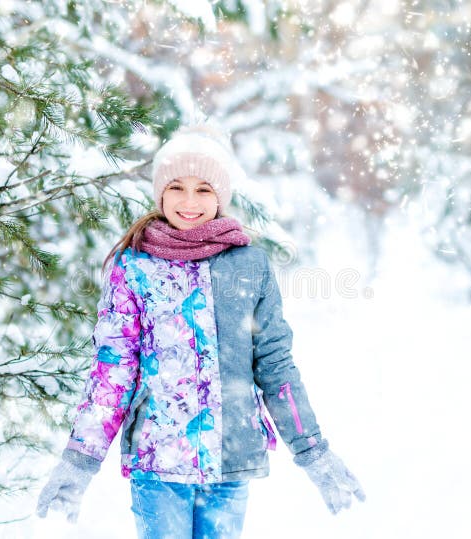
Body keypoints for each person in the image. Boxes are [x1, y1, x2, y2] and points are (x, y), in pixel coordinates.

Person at [36, 123, 366, 538]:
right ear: (160, 193)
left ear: (220, 196)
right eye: (177, 187)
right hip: (157, 464)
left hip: (229, 460)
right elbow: (113, 370)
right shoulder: (134, 267)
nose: (189, 202)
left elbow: (276, 368)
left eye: (204, 189)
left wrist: (313, 452)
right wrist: (79, 459)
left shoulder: (249, 266)